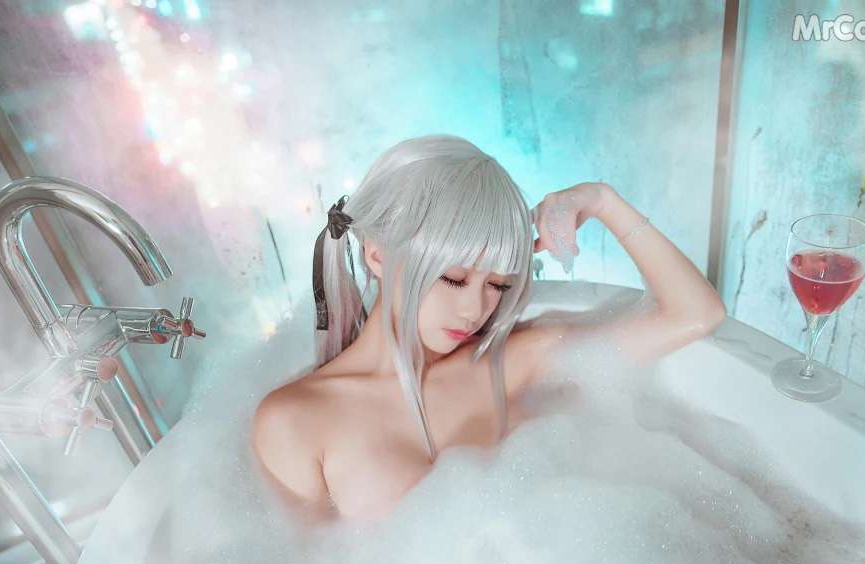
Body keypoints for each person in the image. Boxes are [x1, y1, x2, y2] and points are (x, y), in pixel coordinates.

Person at [251, 134, 725, 523]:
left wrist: (601, 200)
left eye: (498, 285)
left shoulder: (510, 361)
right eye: (454, 279)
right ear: (377, 255)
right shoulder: (295, 420)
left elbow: (695, 314)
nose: (475, 308)